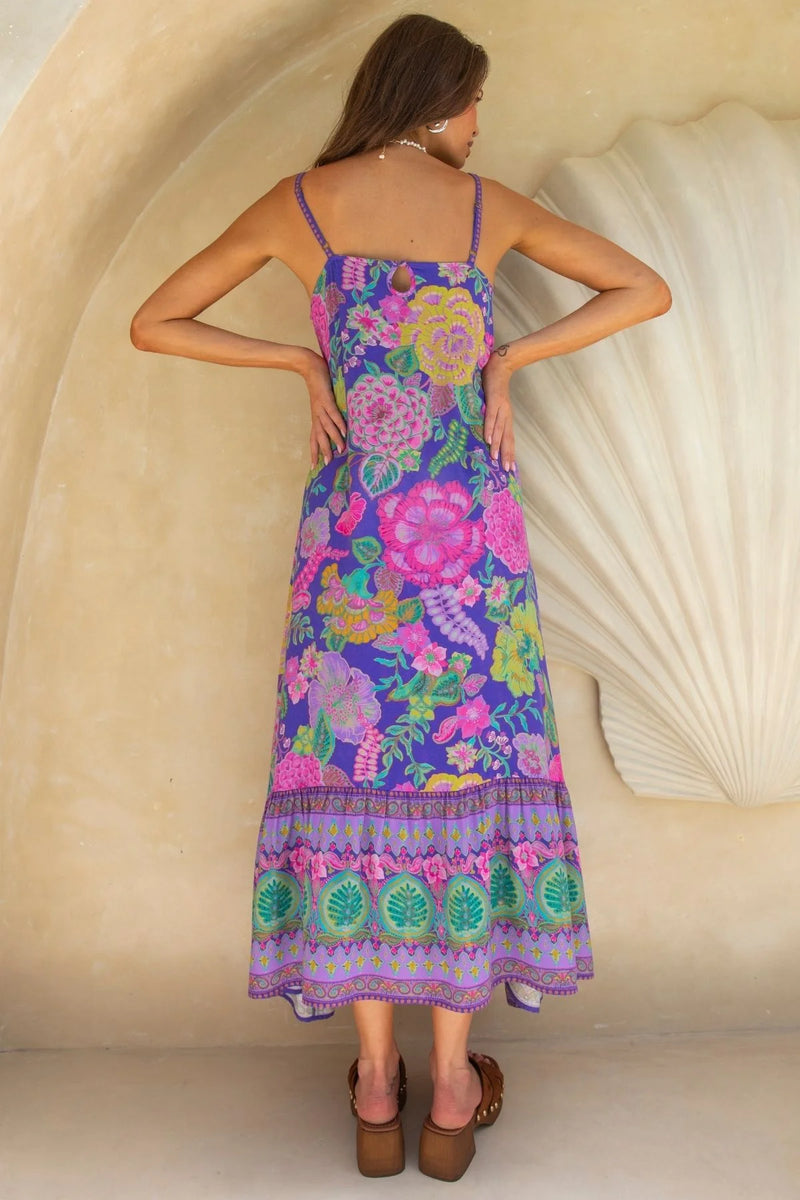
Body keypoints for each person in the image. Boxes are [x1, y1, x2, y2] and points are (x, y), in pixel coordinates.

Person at [130, 11, 671, 1182]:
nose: (480, 123)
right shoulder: (488, 212)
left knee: (352, 774)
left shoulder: (300, 204)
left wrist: (298, 358)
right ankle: (455, 1087)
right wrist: (507, 361)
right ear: (437, 101)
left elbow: (152, 320)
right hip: (469, 544)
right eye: (473, 101)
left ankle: (376, 1086)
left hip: (352, 553)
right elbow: (643, 288)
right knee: (466, 779)